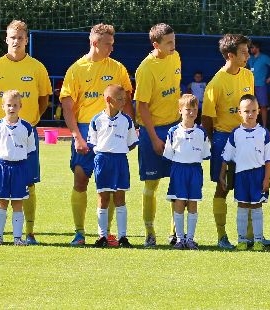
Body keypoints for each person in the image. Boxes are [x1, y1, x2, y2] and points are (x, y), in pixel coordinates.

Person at [59, 23, 133, 246]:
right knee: (81, 180)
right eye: (107, 44)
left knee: (110, 187)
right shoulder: (77, 69)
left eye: (112, 44)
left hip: (111, 135)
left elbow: (126, 100)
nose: (112, 48)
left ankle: (107, 234)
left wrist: (130, 128)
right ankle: (79, 233)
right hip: (84, 130)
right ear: (94, 43)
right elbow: (67, 106)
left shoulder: (118, 68)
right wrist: (76, 136)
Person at [0, 20, 52, 245]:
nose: (16, 41)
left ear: (26, 40)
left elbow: (44, 98)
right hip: (1, 134)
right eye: (12, 37)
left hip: (25, 133)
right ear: (6, 39)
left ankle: (29, 233)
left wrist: (32, 119)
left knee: (29, 184)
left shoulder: (37, 67)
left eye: (20, 37)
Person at [201, 34, 254, 250]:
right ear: (230, 55)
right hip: (224, 138)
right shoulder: (216, 82)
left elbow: (251, 105)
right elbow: (206, 118)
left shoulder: (248, 75)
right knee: (223, 187)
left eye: (247, 50)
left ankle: (251, 236)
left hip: (246, 136)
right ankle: (221, 236)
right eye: (243, 52)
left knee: (249, 185)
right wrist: (215, 143)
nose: (247, 55)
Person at [133, 23, 183, 247]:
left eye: (174, 41)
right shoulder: (145, 69)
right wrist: (153, 137)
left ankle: (175, 233)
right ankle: (149, 232)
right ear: (156, 45)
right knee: (151, 184)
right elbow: (141, 106)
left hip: (175, 128)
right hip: (152, 130)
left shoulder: (176, 57)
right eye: (169, 42)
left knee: (178, 182)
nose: (173, 45)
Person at [221, 94, 270, 250]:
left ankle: (258, 240)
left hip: (258, 175)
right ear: (240, 112)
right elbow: (226, 157)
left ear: (258, 111)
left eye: (253, 110)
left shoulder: (264, 133)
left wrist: (266, 179)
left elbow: (269, 159)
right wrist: (222, 175)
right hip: (241, 176)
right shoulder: (235, 133)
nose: (250, 114)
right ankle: (242, 240)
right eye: (246, 111)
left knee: (256, 207)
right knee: (242, 206)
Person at [85, 85, 137, 248]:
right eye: (120, 99)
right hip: (103, 160)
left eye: (124, 99)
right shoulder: (97, 120)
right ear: (108, 100)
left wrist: (118, 150)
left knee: (120, 197)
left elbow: (131, 143)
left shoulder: (126, 120)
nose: (123, 102)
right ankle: (102, 236)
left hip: (120, 160)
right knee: (103, 197)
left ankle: (122, 236)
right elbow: (92, 142)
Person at [0, 90, 37, 246]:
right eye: (8, 105)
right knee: (1, 202)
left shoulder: (27, 128)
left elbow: (30, 151)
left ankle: (17, 238)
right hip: (2, 166)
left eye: (15, 105)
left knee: (17, 203)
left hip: (19, 168)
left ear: (20, 106)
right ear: (2, 106)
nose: (11, 108)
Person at [163, 94, 210, 249]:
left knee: (192, 203)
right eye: (188, 109)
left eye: (194, 109)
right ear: (180, 111)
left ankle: (190, 239)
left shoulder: (201, 133)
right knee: (179, 202)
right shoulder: (173, 131)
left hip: (195, 170)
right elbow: (169, 154)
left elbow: (204, 154)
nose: (191, 113)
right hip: (179, 170)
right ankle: (179, 238)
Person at [247, 41, 270, 128]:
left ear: (258, 48)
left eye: (252, 48)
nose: (251, 49)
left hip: (261, 85)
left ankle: (264, 126)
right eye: (250, 48)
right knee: (250, 106)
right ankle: (252, 124)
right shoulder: (250, 58)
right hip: (250, 85)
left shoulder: (264, 57)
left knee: (263, 106)